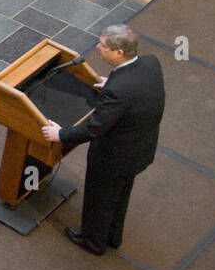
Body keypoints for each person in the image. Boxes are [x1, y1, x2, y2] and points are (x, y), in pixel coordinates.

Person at [41, 27, 165, 255]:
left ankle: (93, 243)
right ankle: (112, 237)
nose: (98, 47)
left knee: (99, 199)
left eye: (103, 46)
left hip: (113, 158)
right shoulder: (150, 62)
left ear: (118, 53)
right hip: (140, 150)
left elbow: (95, 127)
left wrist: (61, 135)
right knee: (119, 195)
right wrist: (113, 82)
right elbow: (139, 89)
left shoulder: (119, 91)